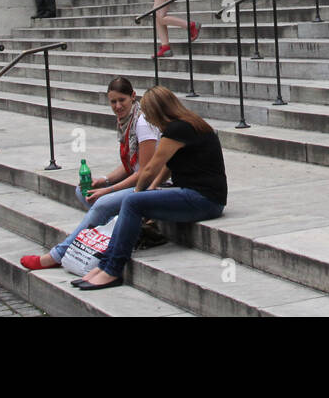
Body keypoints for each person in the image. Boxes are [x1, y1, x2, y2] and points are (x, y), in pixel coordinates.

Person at [73, 86, 227, 290]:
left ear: (157, 111)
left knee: (132, 202)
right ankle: (104, 265)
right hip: (201, 196)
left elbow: (149, 169)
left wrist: (138, 194)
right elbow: (168, 168)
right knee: (135, 201)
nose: (147, 118)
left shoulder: (177, 130)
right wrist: (151, 190)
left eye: (147, 113)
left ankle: (112, 270)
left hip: (204, 200)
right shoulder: (188, 124)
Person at [20, 77, 160, 270]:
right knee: (83, 191)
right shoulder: (125, 121)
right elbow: (129, 166)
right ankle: (133, 229)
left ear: (133, 97)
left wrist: (107, 190)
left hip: (152, 186)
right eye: (113, 102)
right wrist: (103, 180)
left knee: (101, 202)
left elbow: (145, 172)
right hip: (137, 183)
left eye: (122, 100)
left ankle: (57, 255)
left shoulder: (142, 123)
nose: (118, 106)